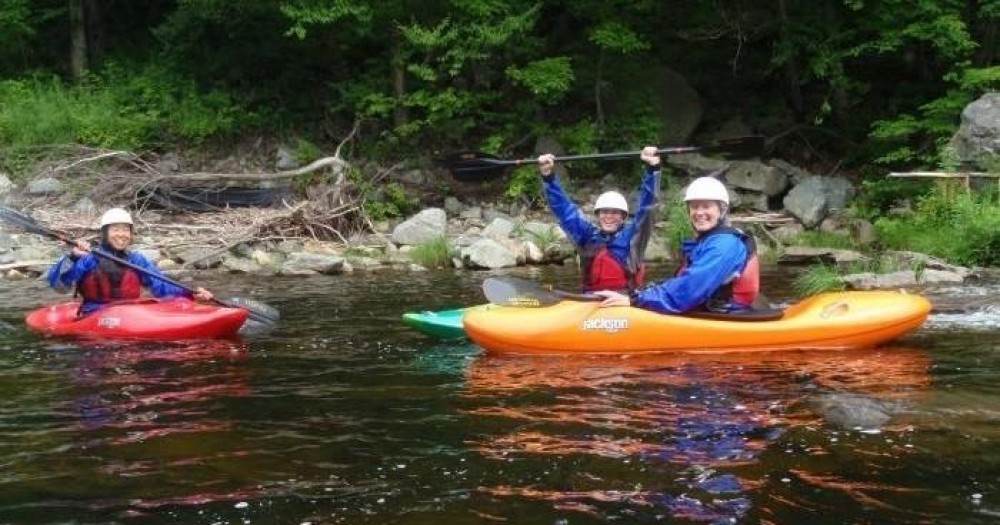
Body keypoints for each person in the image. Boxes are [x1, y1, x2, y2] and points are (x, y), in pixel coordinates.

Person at [593, 176, 760, 313]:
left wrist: (635, 300)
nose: (699, 213)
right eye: (694, 207)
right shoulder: (708, 241)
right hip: (709, 309)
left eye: (706, 207)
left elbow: (690, 289)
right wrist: (644, 293)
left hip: (726, 317)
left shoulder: (724, 245)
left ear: (722, 210)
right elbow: (682, 283)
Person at [538, 146, 661, 294]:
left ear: (623, 217)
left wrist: (652, 170)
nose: (609, 216)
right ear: (597, 215)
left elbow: (647, 209)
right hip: (590, 300)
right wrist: (548, 176)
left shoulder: (633, 238)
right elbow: (564, 210)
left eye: (615, 213)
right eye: (604, 212)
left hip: (624, 300)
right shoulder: (587, 236)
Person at [47, 207, 214, 315]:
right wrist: (72, 257)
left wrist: (191, 294)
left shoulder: (136, 259)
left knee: (180, 302)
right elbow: (59, 286)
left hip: (130, 313)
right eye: (116, 229)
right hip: (95, 313)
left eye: (126, 230)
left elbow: (161, 285)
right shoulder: (88, 258)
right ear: (105, 233)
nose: (122, 234)